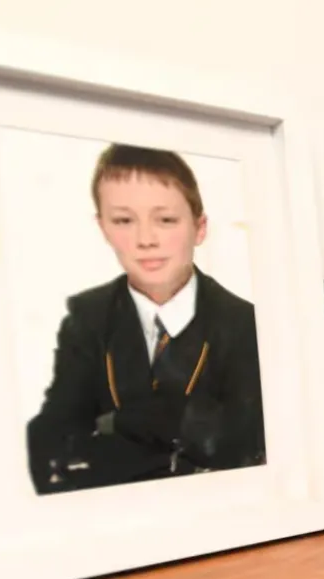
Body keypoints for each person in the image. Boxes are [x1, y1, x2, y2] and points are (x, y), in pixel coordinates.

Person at [26, 143, 265, 495]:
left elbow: (242, 446)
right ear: (103, 227)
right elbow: (52, 440)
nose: (145, 240)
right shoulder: (88, 318)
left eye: (165, 220)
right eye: (124, 220)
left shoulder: (244, 325)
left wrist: (116, 425)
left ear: (199, 228)